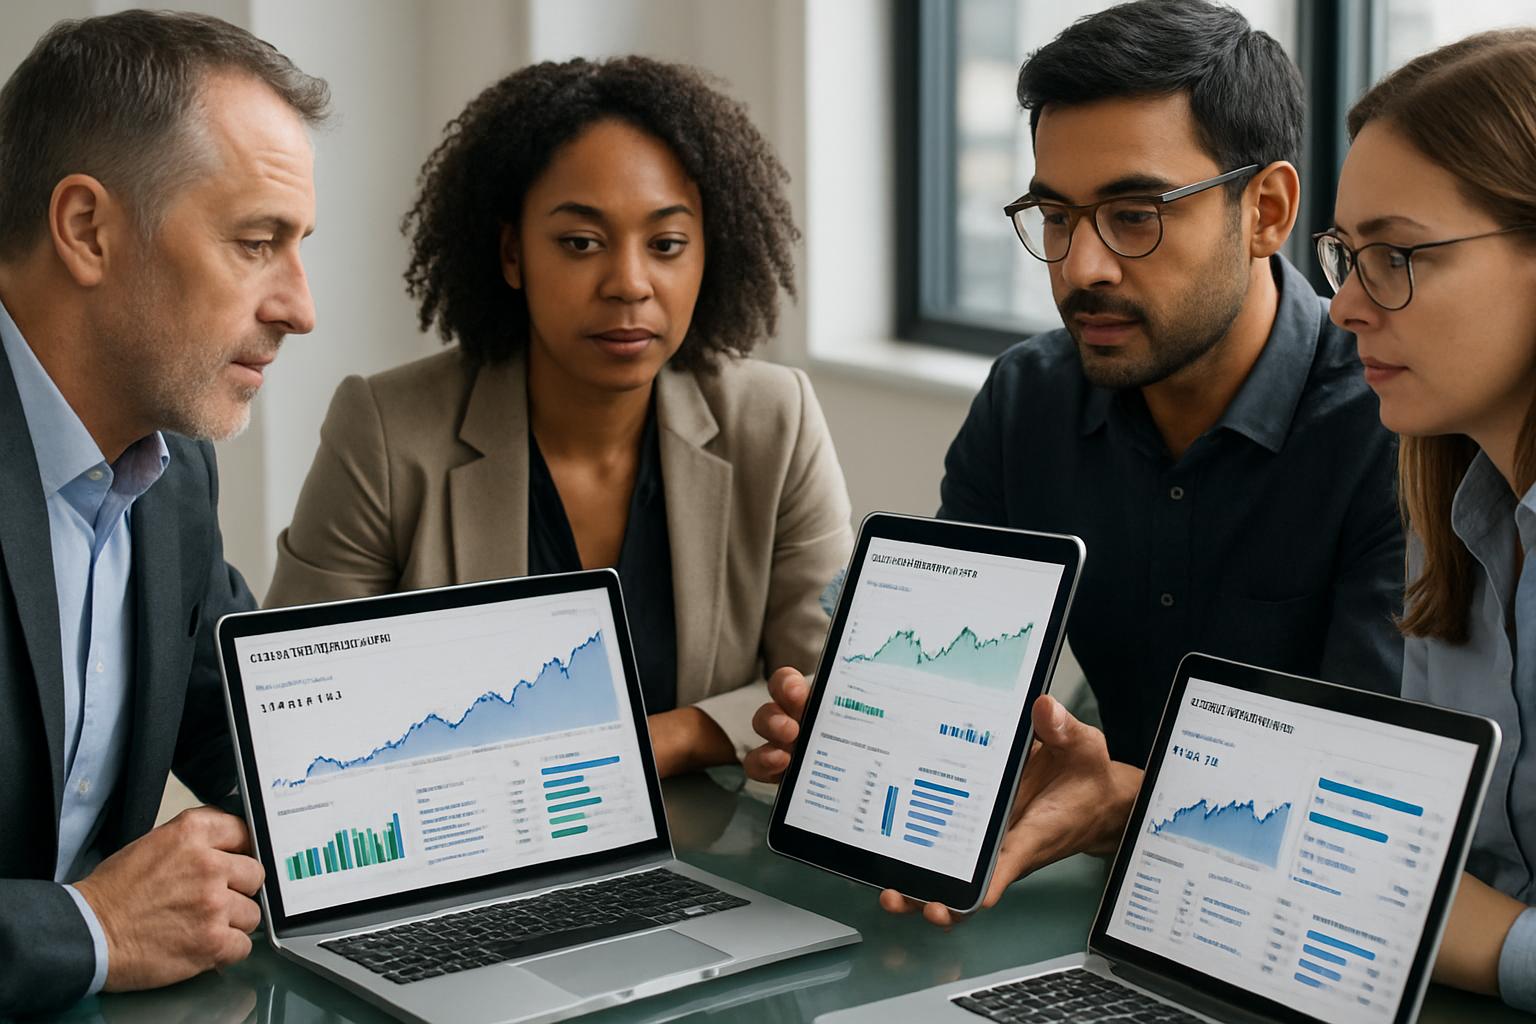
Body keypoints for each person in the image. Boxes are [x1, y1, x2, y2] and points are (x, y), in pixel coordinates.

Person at [746, 0, 1404, 924]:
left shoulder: (1391, 428)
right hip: (1093, 906)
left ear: (1267, 211)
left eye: (1134, 215)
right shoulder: (1029, 398)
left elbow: (1368, 809)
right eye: (1055, 215)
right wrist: (862, 734)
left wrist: (1121, 800)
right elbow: (939, 674)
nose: (1081, 264)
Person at [264, 57, 852, 778]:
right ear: (513, 253)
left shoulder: (775, 420)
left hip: (705, 863)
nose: (630, 284)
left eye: (666, 245)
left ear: (707, 252)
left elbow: (835, 689)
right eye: (581, 243)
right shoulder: (386, 431)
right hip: (467, 855)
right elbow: (293, 713)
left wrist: (674, 736)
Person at [0, 10, 325, 1016]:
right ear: (88, 229)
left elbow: (258, 734)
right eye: (255, 243)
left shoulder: (170, 469)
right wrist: (92, 928)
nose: (300, 306)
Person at [1315, 28, 1536, 1011]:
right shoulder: (1455, 516)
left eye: (1397, 255)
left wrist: (1499, 943)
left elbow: (1450, 910)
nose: (1345, 307)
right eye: (1346, 256)